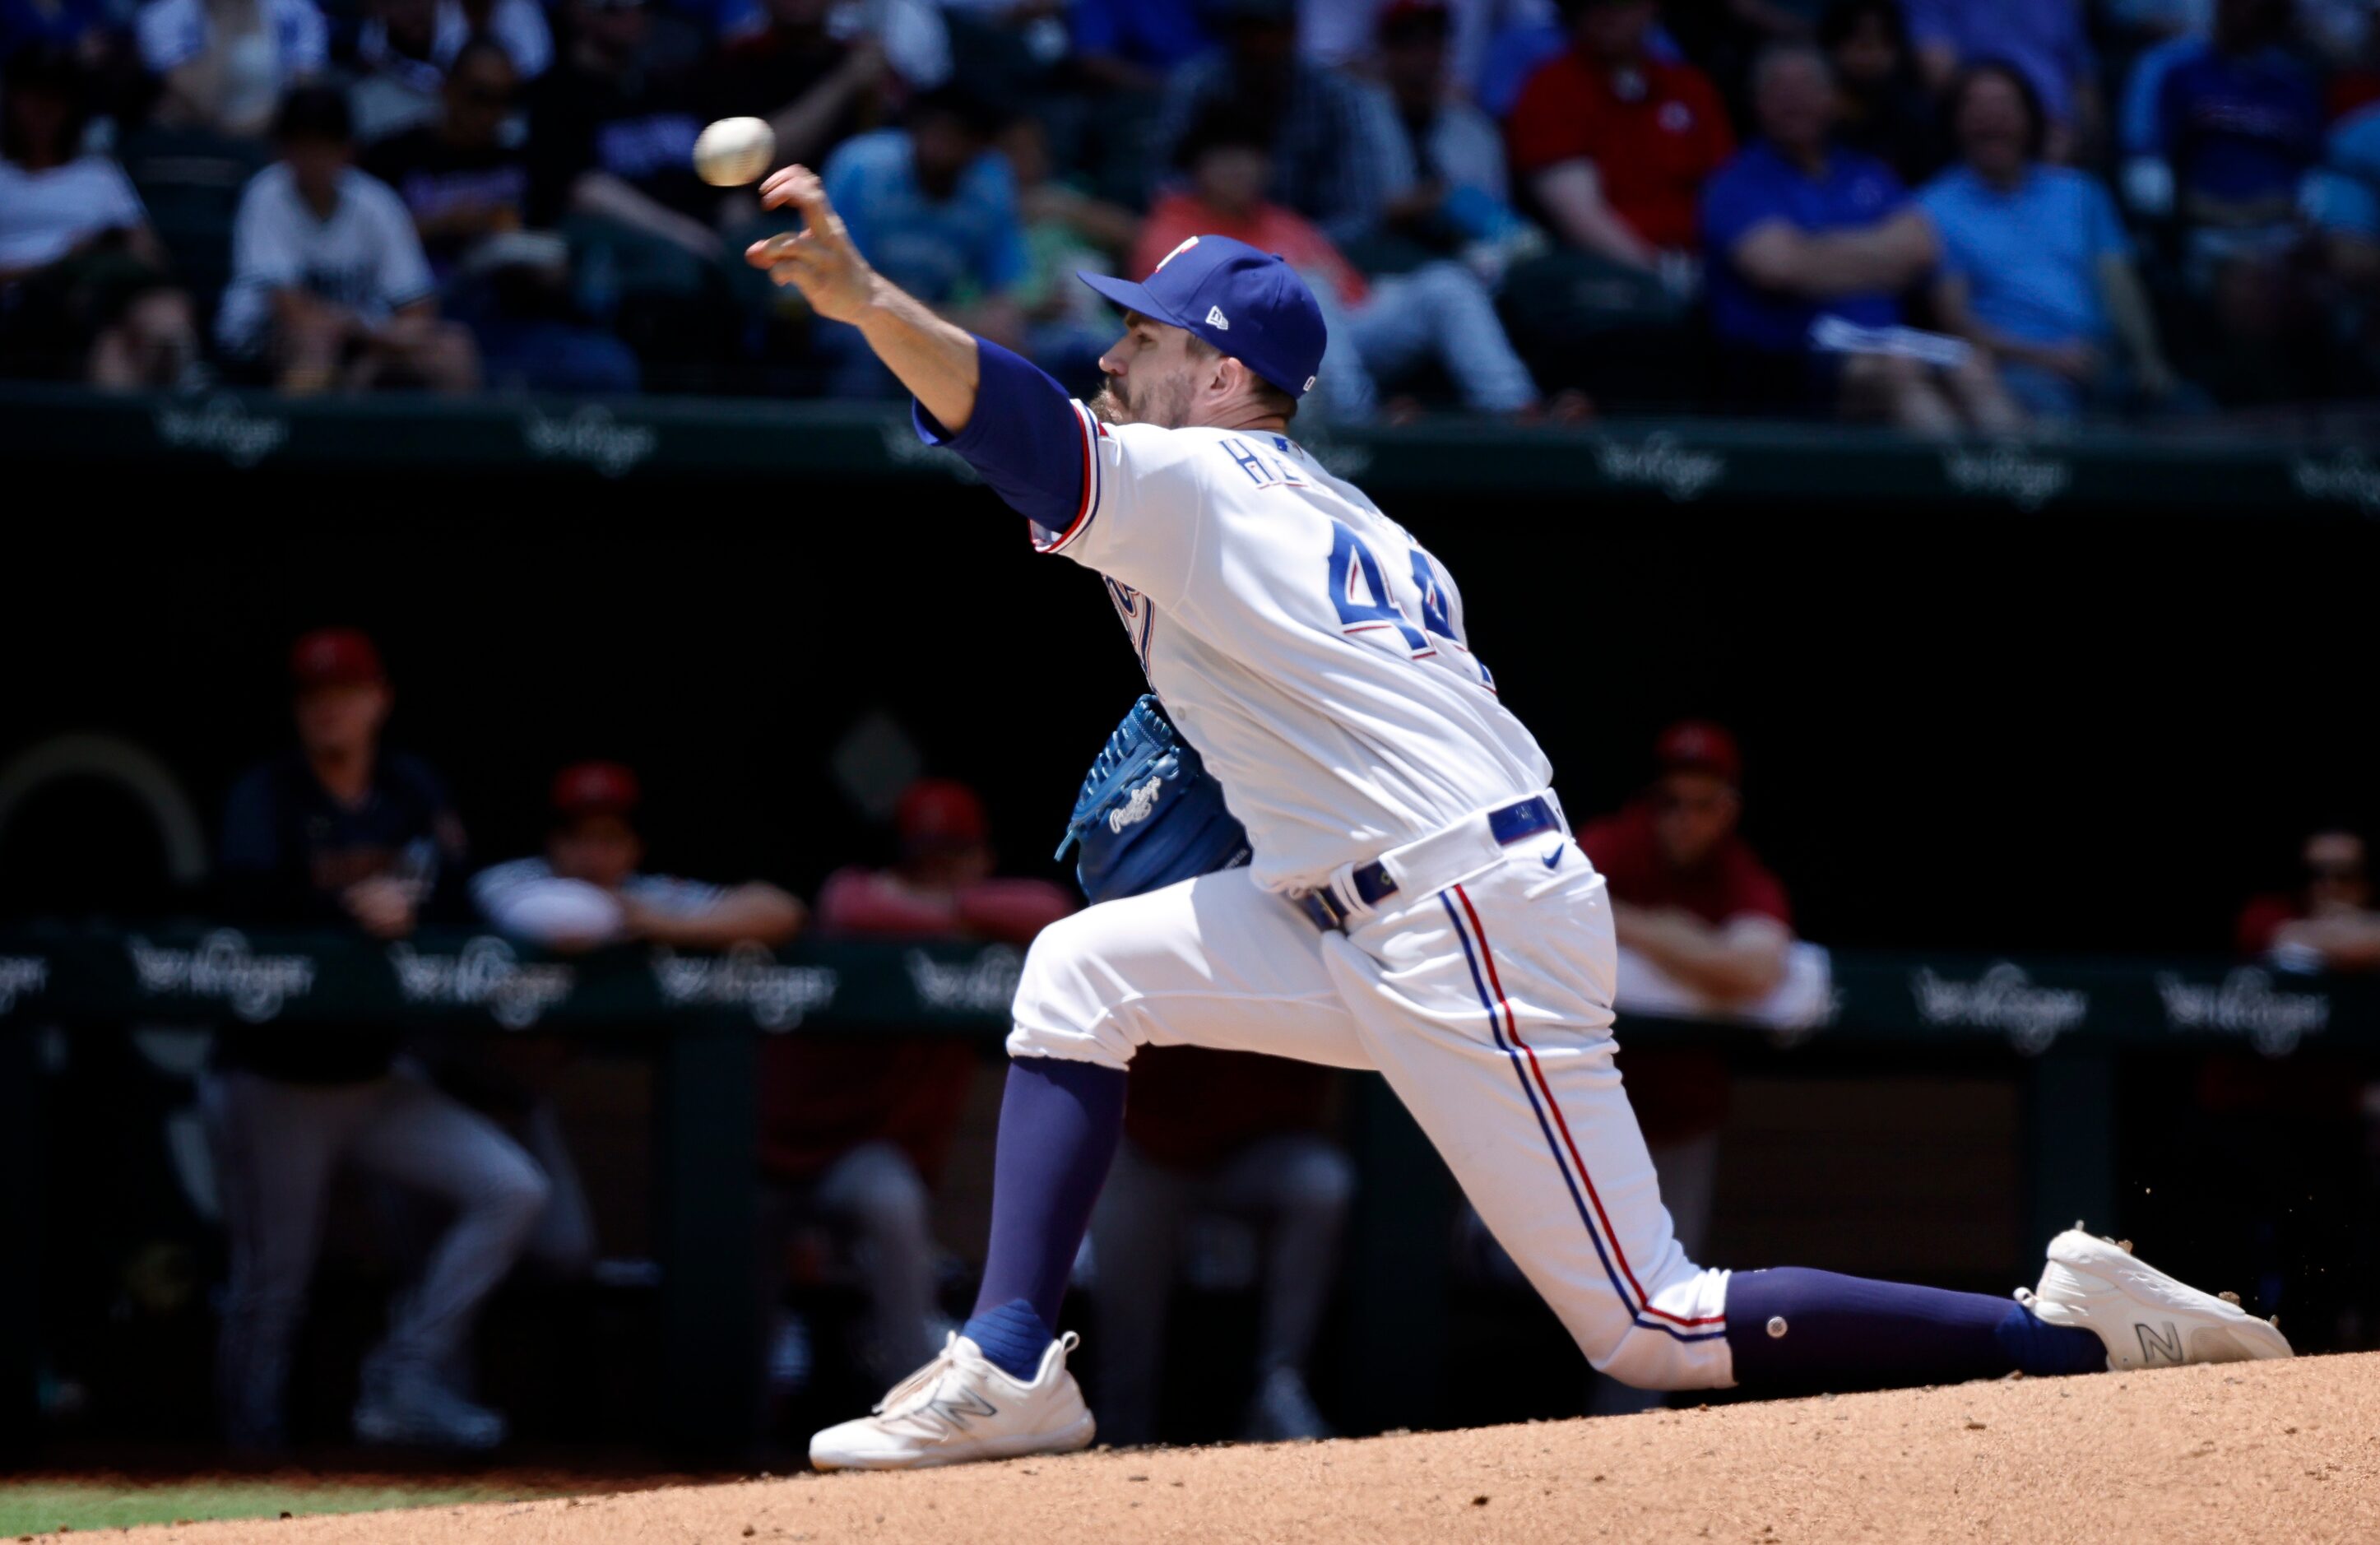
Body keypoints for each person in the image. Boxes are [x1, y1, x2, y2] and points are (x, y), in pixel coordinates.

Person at [743, 155, 2290, 1474]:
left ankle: (2061, 1337)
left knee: (1654, 1324)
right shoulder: (1350, 519)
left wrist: (869, 301)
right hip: (1367, 893)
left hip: (1452, 914)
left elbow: (1017, 431)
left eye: (1142, 335)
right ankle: (1012, 1364)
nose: (1115, 353)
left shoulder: (1197, 480)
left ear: (1223, 378)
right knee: (1081, 972)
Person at [209, 628, 550, 1452]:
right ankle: (242, 1454)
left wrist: (410, 913)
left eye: (346, 692)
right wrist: (345, 913)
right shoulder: (269, 793)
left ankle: (404, 1379)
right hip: (276, 1077)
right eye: (314, 696)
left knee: (511, 1189)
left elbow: (459, 897)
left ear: (378, 701)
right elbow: (245, 908)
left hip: (375, 1076)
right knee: (274, 1285)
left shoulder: (409, 787)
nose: (330, 709)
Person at [759, 779, 1070, 1388]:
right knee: (748, 1332)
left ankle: (915, 1391)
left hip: (863, 1157)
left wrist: (948, 911)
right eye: (924, 859)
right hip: (772, 1151)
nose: (940, 871)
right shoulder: (857, 905)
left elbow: (1051, 910)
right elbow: (845, 902)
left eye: (954, 856)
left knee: (890, 1198)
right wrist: (950, 916)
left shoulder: (974, 920)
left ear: (981, 858)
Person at [1134, 106, 1543, 420]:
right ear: (1197, 168)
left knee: (1445, 282)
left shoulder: (1282, 221)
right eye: (1226, 159)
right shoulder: (1171, 226)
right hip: (1245, 363)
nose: (1241, 170)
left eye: (1251, 157)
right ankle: (1356, 418)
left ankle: (1513, 407)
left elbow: (1354, 295)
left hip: (1334, 348)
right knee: (1302, 287)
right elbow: (1179, 322)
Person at [1701, 43, 2016, 430]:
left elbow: (1920, 250)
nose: (1794, 100)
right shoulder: (1736, 183)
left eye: (1808, 87)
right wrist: (1878, 255)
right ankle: (1954, 490)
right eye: (1779, 90)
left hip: (1887, 342)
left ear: (1831, 97)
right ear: (1757, 104)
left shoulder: (1868, 173)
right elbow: (1779, 268)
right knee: (1900, 374)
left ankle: (2020, 482)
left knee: (1972, 367)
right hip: (1789, 362)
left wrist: (1811, 252)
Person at [1089, 1048, 1352, 1444]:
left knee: (1321, 1184)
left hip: (1254, 1149)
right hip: (1150, 1149)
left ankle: (1278, 1395)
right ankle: (1120, 1426)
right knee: (1117, 1175)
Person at [364, 39, 641, 392]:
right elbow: (358, 245)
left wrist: (549, 271)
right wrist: (443, 225)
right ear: (448, 90)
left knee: (610, 366)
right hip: (426, 317)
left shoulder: (525, 162)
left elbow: (548, 242)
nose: (492, 113)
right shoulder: (393, 157)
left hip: (511, 318)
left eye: (506, 100)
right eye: (480, 96)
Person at [1921, 61, 2178, 419]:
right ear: (1954, 122)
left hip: (2104, 363)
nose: (1991, 117)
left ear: (2031, 120)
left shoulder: (2081, 192)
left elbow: (2119, 282)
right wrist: (2047, 357)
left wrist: (2149, 360)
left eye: (2005, 105)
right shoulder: (1933, 207)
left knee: (2189, 416)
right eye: (1975, 106)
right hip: (2014, 369)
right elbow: (1956, 323)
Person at [216, 86, 480, 392]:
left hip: (361, 341)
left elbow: (418, 307)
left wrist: (375, 344)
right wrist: (369, 331)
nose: (314, 160)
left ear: (348, 150)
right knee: (314, 344)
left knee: (454, 349)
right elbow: (293, 313)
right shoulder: (266, 195)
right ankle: (300, 439)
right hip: (260, 342)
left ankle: (452, 441)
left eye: (325, 146)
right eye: (303, 146)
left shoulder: (376, 202)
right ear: (282, 150)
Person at [0, 44, 201, 387]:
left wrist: (104, 256)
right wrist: (60, 262)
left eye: (56, 96)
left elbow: (149, 255)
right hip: (21, 304)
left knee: (157, 321)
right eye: (34, 95)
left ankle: (181, 406)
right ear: (14, 100)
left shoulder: (99, 175)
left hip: (97, 305)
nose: (45, 109)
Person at [814, 85, 1028, 393]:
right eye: (934, 128)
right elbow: (850, 287)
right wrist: (959, 322)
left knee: (1017, 352)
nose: (941, 143)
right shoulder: (860, 166)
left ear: (980, 145)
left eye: (958, 134)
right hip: (838, 312)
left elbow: (1004, 294)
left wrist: (1002, 326)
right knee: (864, 349)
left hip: (935, 318)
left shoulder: (992, 179)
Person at [1505, 0, 1733, 284]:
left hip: (1709, 267)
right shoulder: (1550, 88)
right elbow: (1580, 218)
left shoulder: (1689, 86)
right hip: (1607, 277)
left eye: (1623, 3)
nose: (1608, 12)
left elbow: (1726, 194)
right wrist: (1664, 277)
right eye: (1597, 4)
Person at [1153, 0, 1405, 248]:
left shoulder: (1333, 95)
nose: (1261, 43)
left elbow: (1359, 208)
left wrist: (1291, 246)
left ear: (1294, 30)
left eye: (1271, 31)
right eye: (1250, 31)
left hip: (1317, 251)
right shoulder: (1198, 85)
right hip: (1208, 245)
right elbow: (1163, 182)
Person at [1376, 0, 1539, 277]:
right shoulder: (1356, 121)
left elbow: (1498, 221)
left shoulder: (1476, 130)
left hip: (1470, 265)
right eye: (1409, 41)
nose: (1423, 54)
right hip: (1381, 262)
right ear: (1385, 49)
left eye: (1433, 41)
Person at [1902, 0, 2099, 156]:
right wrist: (2020, 126)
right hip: (1982, 136)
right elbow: (1939, 73)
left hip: (2063, 137)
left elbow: (2083, 77)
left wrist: (2080, 136)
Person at [135, 0, 327, 140]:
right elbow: (204, 102)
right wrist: (225, 16)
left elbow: (303, 96)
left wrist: (251, 129)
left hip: (275, 140)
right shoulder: (162, 17)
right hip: (195, 143)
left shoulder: (299, 11)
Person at [1816, 0, 1941, 187]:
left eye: (1883, 43)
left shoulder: (1913, 116)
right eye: (1861, 43)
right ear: (1835, 46)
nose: (1872, 56)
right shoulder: (1814, 115)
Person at [2238, 828, 2380, 972]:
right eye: (2315, 874)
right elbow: (2275, 937)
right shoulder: (2268, 912)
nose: (2329, 885)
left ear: (2367, 881)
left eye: (2345, 874)